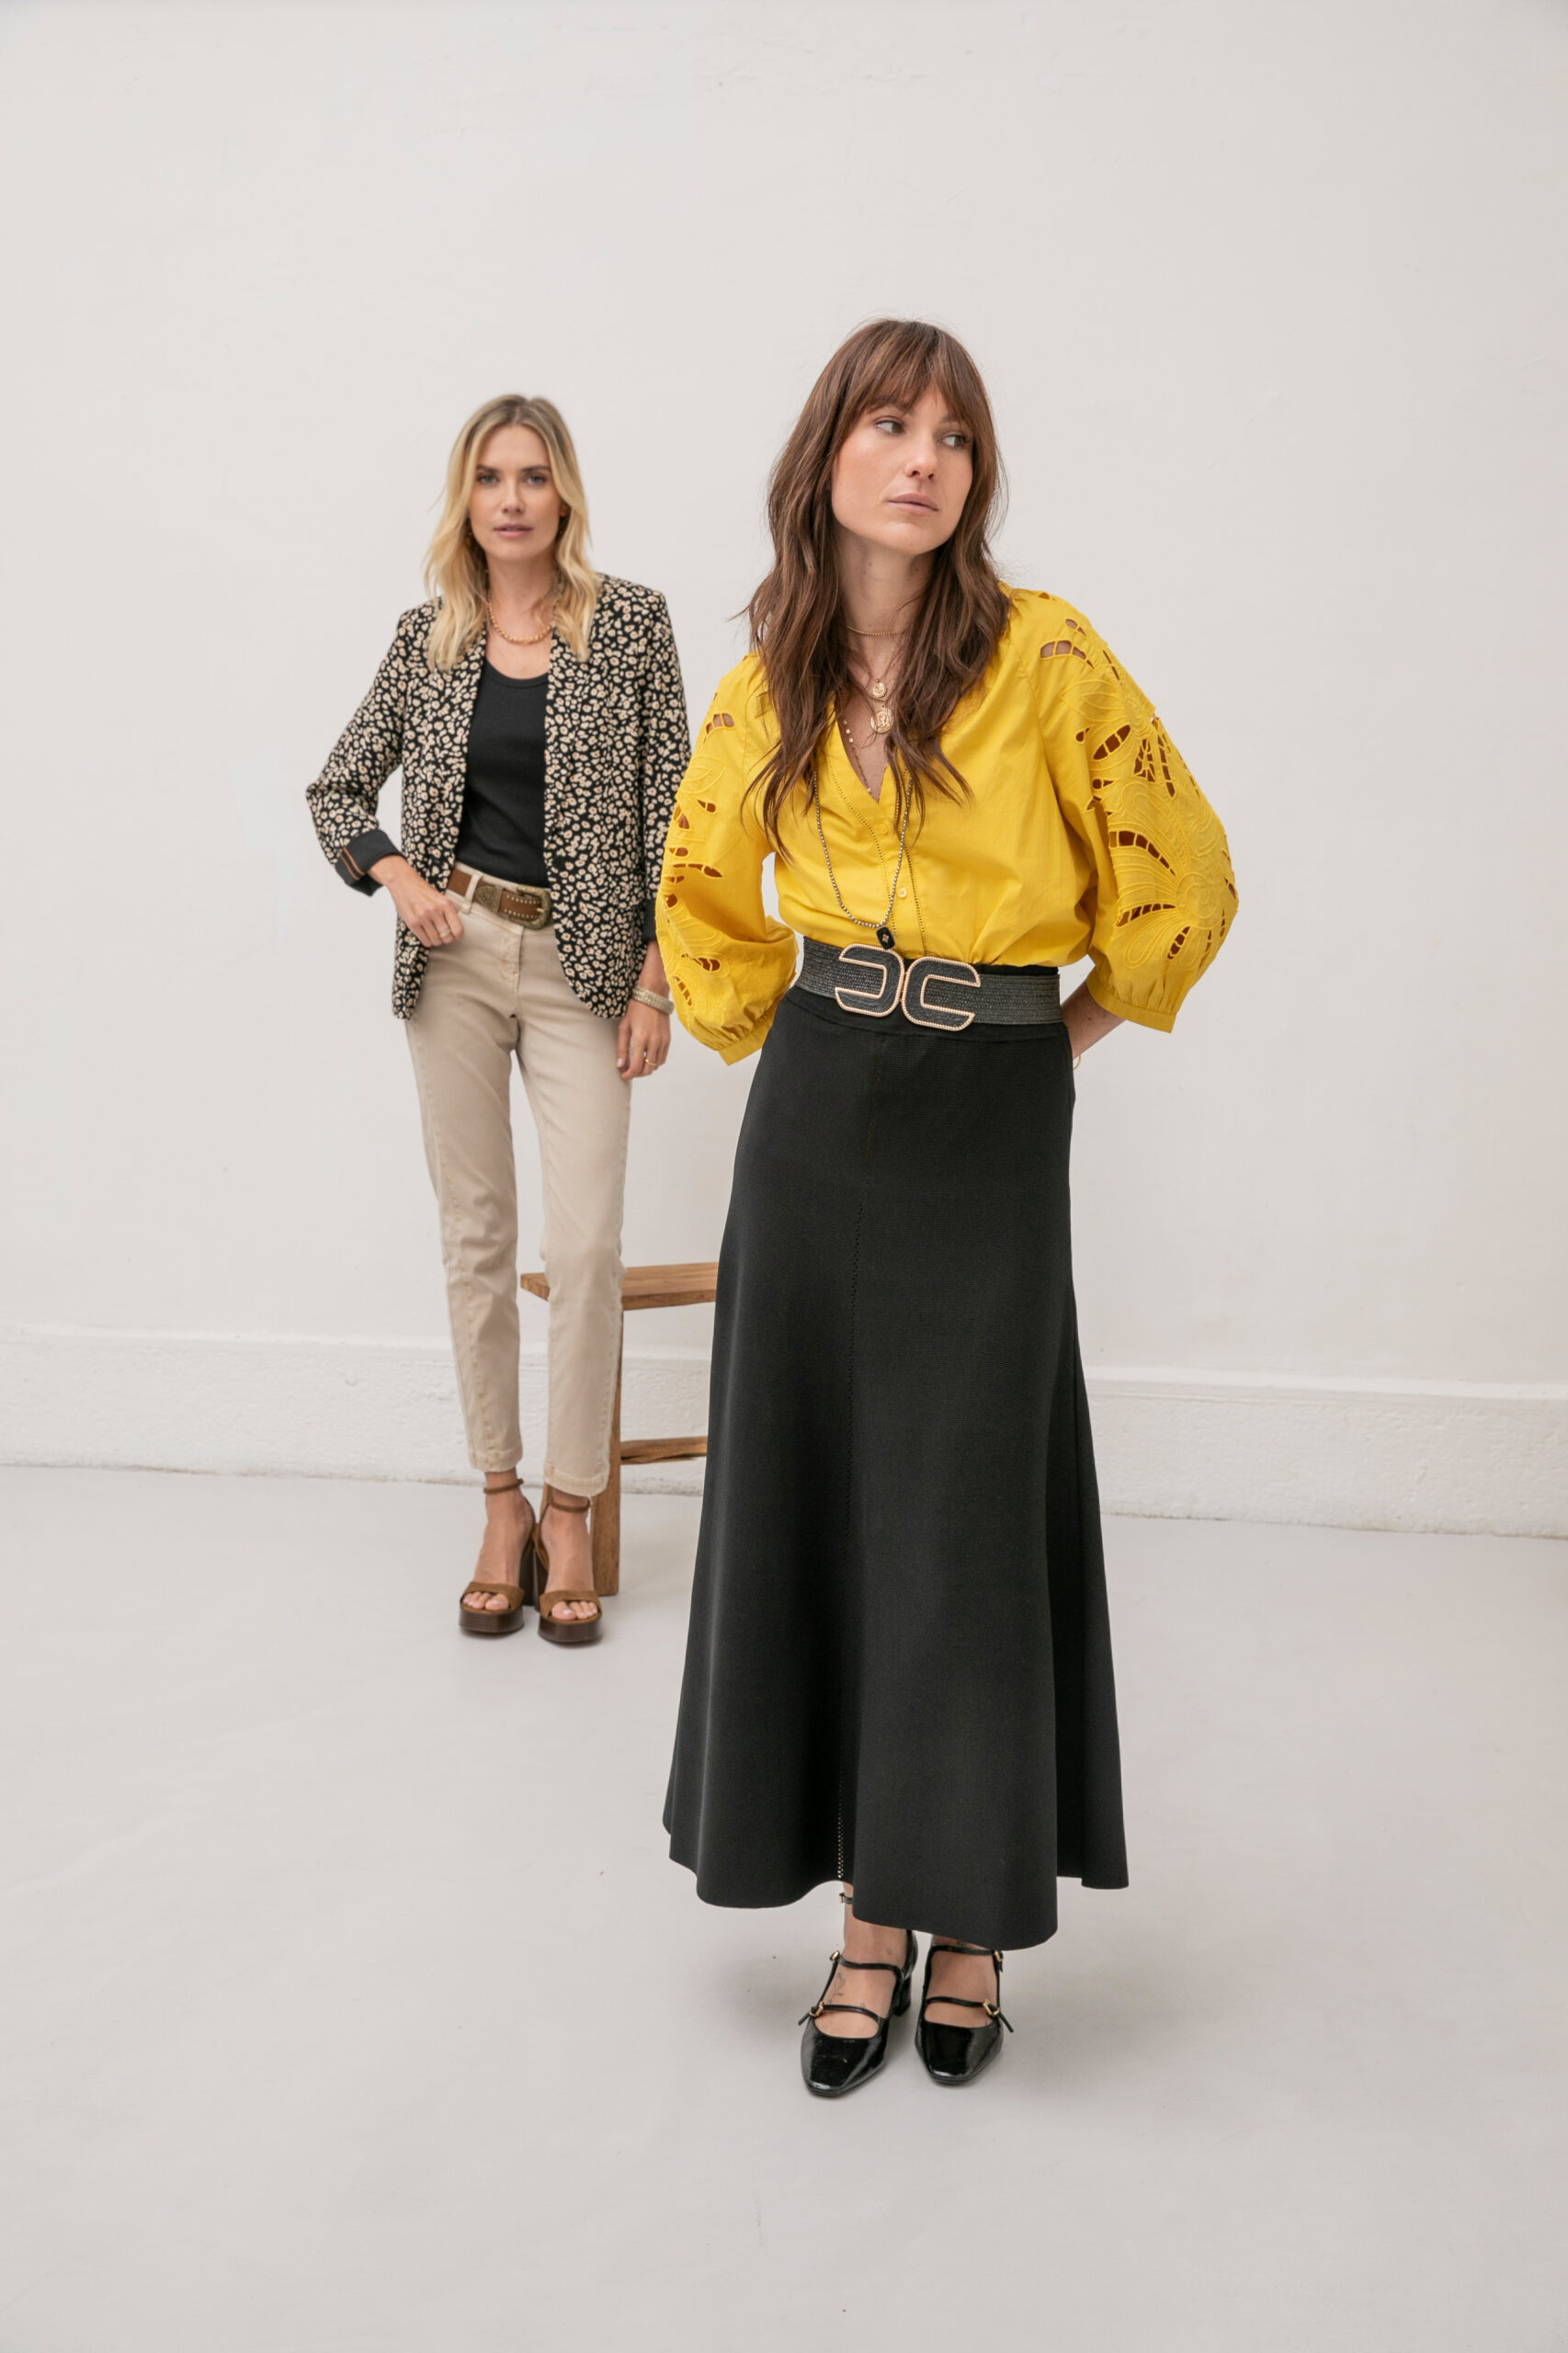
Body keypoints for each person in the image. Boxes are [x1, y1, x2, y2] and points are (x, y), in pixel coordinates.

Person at [656, 320, 1236, 2093]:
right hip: (816, 1103)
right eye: (890, 426)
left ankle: (966, 1913)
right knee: (820, 1489)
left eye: (955, 437)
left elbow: (1183, 873)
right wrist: (772, 1018)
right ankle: (864, 1920)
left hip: (987, 1107)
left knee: (963, 1511)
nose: (922, 460)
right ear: (825, 452)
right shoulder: (766, 672)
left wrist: (1048, 1035)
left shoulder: (1045, 654)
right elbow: (701, 887)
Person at [308, 393, 688, 1645]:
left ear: (563, 491)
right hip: (457, 958)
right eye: (489, 478)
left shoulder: (630, 625)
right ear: (465, 498)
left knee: (584, 1248)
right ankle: (499, 1501)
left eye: (532, 475)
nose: (511, 499)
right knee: (477, 1239)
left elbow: (678, 824)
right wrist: (398, 878)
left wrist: (654, 982)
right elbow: (336, 788)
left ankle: (570, 1509)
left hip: (589, 968)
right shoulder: (427, 637)